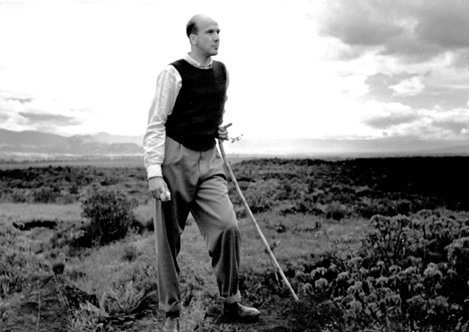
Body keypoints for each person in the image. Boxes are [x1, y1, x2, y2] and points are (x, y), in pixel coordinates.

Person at [143, 14, 260, 332]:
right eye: (210, 32)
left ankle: (231, 303)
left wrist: (215, 129)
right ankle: (171, 316)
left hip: (209, 159)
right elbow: (156, 122)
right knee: (169, 240)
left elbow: (207, 110)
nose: (217, 37)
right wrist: (154, 172)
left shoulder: (222, 72)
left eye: (219, 31)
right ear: (193, 38)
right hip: (175, 159)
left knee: (228, 226)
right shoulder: (173, 73)